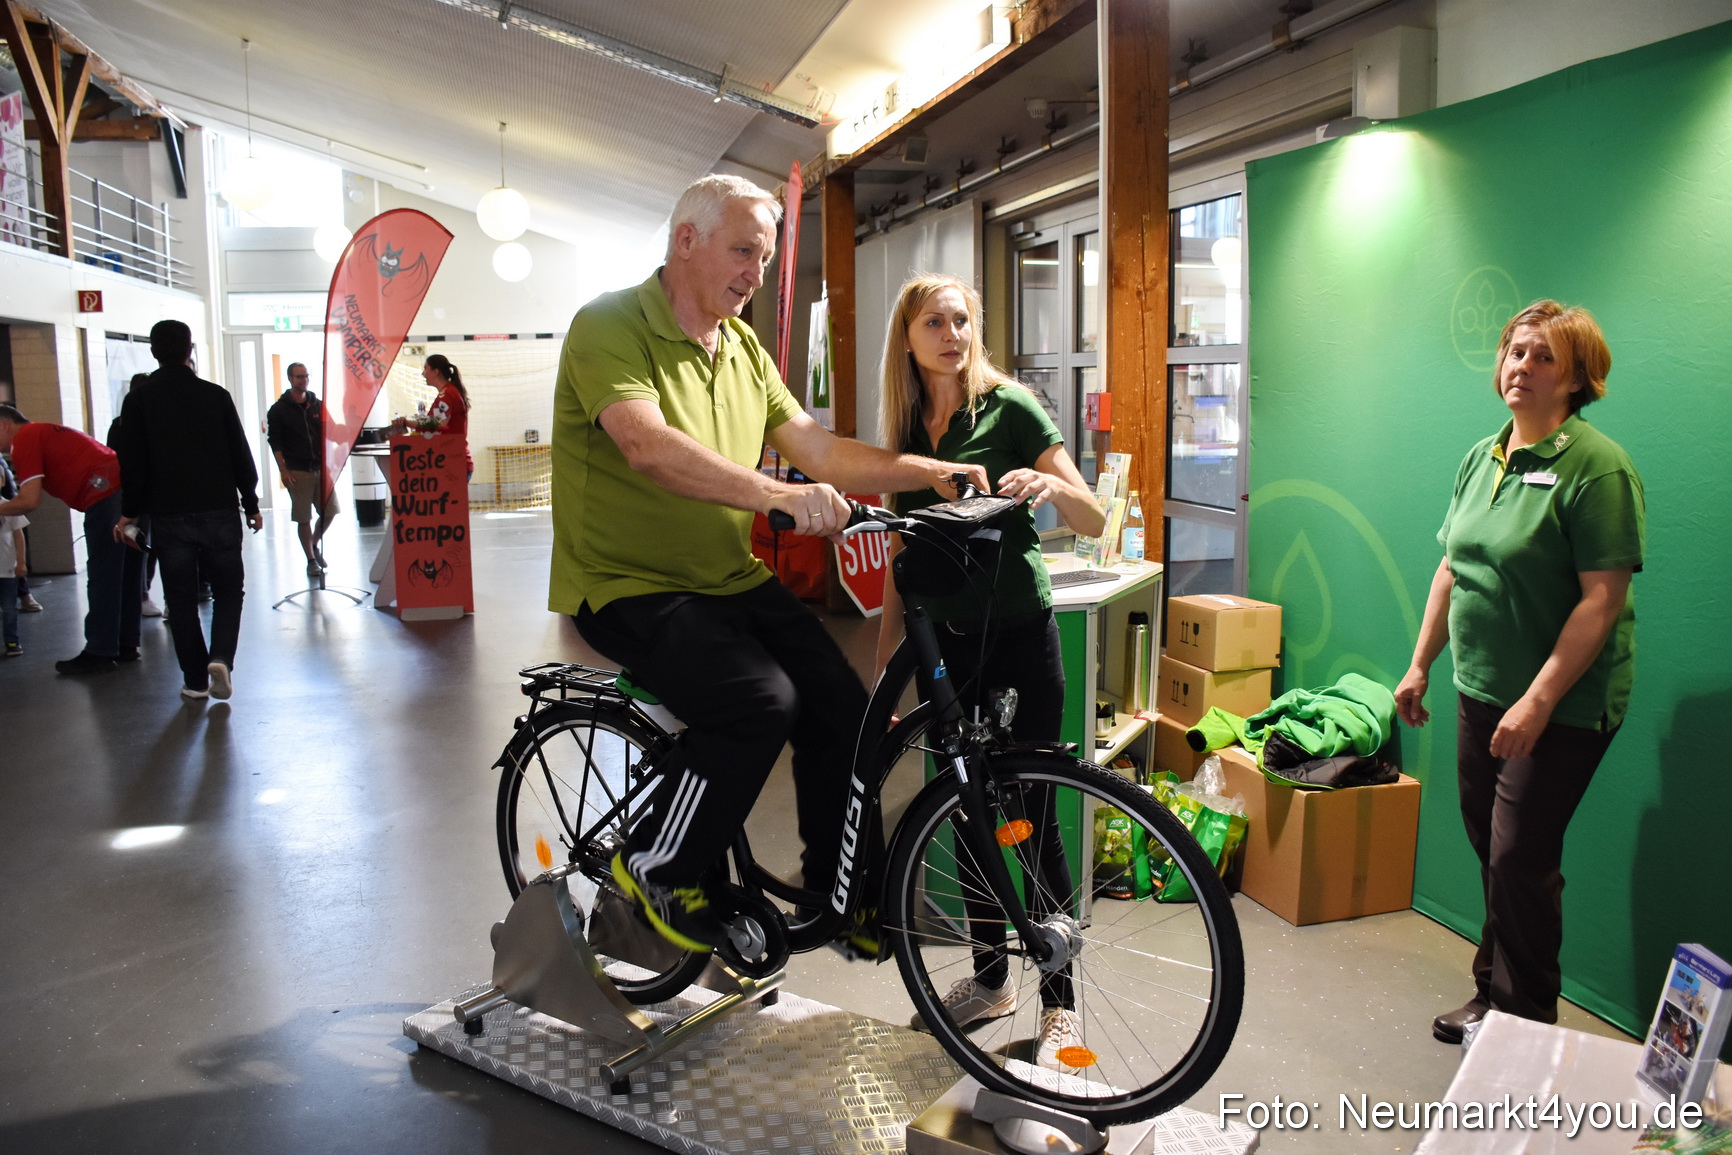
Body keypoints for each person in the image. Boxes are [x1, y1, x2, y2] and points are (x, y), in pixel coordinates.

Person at [551, 173, 987, 953]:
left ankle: (837, 895)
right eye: (744, 251)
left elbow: (819, 449)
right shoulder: (609, 324)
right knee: (758, 700)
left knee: (843, 708)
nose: (756, 272)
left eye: (764, 257)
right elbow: (646, 445)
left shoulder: (742, 348)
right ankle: (656, 867)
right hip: (627, 584)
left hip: (726, 576)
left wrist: (926, 470)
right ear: (687, 240)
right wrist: (774, 496)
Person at [872, 274, 1106, 1069]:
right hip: (946, 650)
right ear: (908, 338)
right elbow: (901, 558)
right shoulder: (908, 429)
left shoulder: (1011, 408)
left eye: (962, 320)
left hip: (1021, 636)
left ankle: (1061, 1005)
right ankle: (991, 980)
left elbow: (1093, 515)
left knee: (1032, 818)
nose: (952, 335)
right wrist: (886, 667)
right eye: (934, 322)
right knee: (965, 815)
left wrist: (1053, 483)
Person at [1395, 300, 1643, 1044]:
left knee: (1519, 856)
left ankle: (1525, 1026)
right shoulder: (1485, 455)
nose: (1523, 367)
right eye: (1516, 351)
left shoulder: (1597, 467)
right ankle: (1492, 995)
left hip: (1560, 707)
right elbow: (1451, 567)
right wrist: (1420, 663)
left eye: (1544, 357)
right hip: (1481, 690)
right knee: (1493, 851)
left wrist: (1537, 701)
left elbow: (1602, 600)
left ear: (1577, 378)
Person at [113, 320, 264, 702]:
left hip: (169, 515)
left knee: (180, 599)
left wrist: (130, 512)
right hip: (218, 510)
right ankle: (221, 659)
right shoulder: (215, 396)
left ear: (153, 352)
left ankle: (195, 681)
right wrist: (251, 503)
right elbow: (240, 453)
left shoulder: (139, 400)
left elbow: (133, 464)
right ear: (189, 350)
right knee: (228, 589)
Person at [0, 403, 142, 673]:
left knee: (103, 575)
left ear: (4, 424)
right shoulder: (42, 432)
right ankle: (124, 644)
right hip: (128, 490)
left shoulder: (24, 439)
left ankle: (100, 651)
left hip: (105, 495)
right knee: (125, 574)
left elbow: (29, 500)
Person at [267, 362, 340, 577]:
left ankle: (314, 544)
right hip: (298, 469)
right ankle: (310, 560)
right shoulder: (279, 410)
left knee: (330, 511)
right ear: (290, 378)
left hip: (320, 467)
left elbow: (331, 430)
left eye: (306, 376)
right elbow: (275, 442)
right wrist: (283, 469)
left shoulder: (317, 405)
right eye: (299, 376)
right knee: (303, 517)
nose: (304, 380)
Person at [395, 355, 472, 481]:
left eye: (425, 369)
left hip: (453, 462)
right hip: (449, 460)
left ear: (435, 372)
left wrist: (408, 423)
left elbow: (438, 424)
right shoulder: (449, 392)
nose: (423, 374)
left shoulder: (447, 394)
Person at [1, 503, 24, 657]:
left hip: (6, 569)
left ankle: (12, 642)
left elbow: (18, 536)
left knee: (9, 608)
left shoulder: (11, 507)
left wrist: (21, 562)